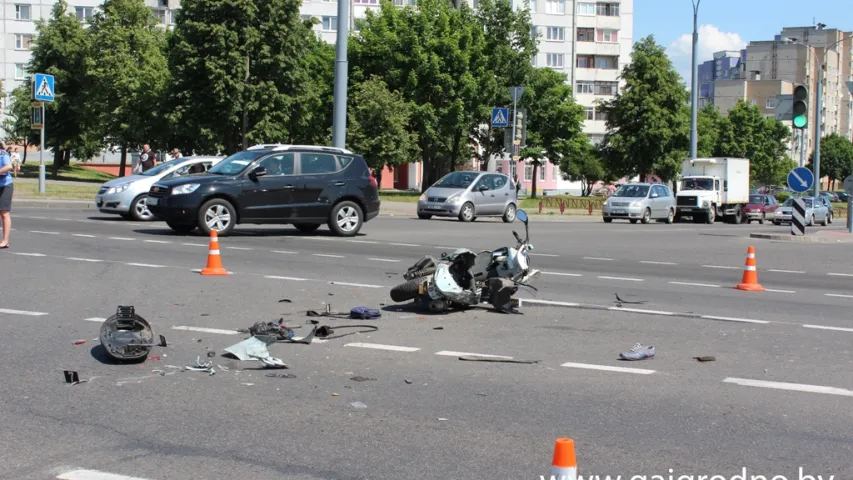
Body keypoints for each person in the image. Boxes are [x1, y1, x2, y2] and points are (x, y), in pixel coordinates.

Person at [0, 141, 13, 249]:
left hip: (5, 186)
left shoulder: (3, 153)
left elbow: (8, 166)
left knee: (4, 213)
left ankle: (5, 240)